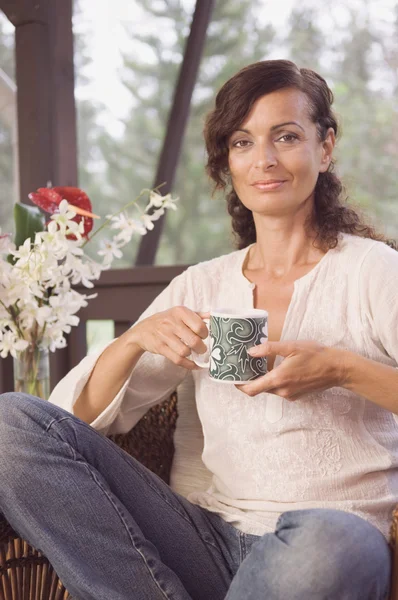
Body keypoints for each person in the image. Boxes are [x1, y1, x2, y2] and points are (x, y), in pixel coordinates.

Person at [0, 59, 396, 600]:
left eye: (286, 136)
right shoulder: (201, 286)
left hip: (321, 540)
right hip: (203, 538)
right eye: (242, 142)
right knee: (10, 423)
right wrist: (135, 341)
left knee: (333, 544)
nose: (265, 160)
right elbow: (77, 423)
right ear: (226, 163)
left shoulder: (374, 271)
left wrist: (342, 369)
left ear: (325, 147)